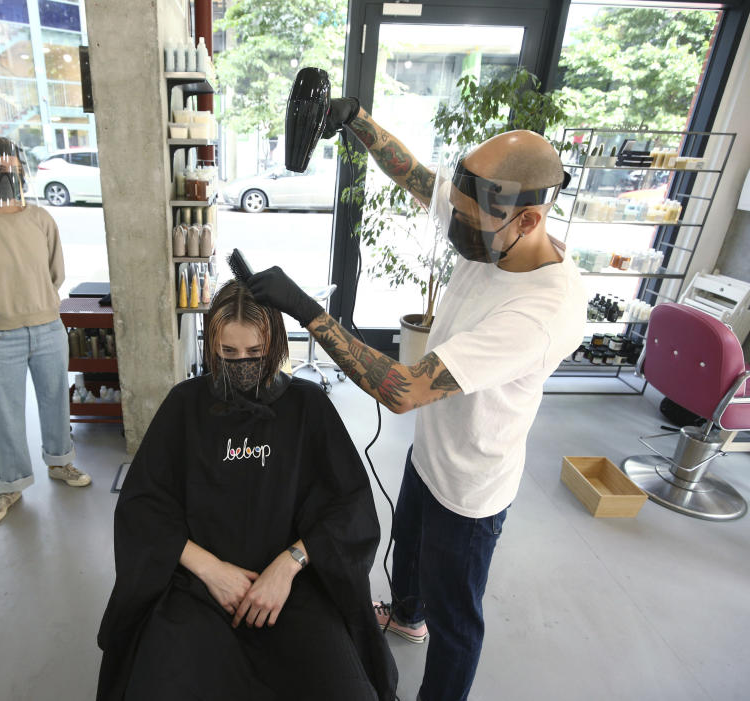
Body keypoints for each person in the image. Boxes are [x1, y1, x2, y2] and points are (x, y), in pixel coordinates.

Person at [247, 99, 586, 701]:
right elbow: (418, 178)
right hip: (433, 453)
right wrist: (354, 118)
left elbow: (402, 391)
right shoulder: (493, 223)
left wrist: (307, 311)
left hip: (471, 485)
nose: (454, 229)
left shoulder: (539, 314)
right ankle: (406, 612)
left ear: (528, 220)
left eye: (466, 219)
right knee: (407, 547)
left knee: (457, 620)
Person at [95, 280, 397, 701]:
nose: (241, 365)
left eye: (254, 354)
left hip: (292, 589)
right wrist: (210, 569)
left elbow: (350, 508)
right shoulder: (184, 405)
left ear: (273, 346)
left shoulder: (308, 407)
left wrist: (289, 564)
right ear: (211, 347)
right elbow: (142, 507)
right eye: (228, 354)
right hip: (197, 590)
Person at [0, 135, 90, 528]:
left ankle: (61, 463)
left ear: (21, 168)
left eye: (10, 167)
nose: (4, 174)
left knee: (55, 401)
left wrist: (36, 304)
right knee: (3, 414)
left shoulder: (41, 219)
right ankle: (9, 484)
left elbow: (55, 274)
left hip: (48, 328)